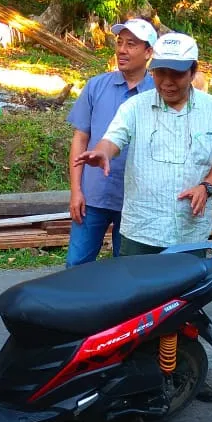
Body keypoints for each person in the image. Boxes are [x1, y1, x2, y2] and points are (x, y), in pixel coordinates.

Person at [74, 31, 212, 402]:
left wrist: (206, 187)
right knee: (136, 310)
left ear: (193, 72)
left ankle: (187, 370)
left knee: (185, 309)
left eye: (177, 74)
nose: (167, 81)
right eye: (161, 72)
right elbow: (111, 139)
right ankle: (136, 375)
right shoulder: (135, 108)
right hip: (141, 231)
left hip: (190, 232)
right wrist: (102, 152)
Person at [65, 18, 157, 267]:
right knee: (76, 266)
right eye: (119, 43)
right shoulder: (97, 86)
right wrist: (76, 191)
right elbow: (80, 138)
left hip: (135, 201)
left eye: (131, 44)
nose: (122, 50)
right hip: (93, 196)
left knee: (126, 271)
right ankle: (79, 307)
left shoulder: (157, 93)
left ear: (148, 52)